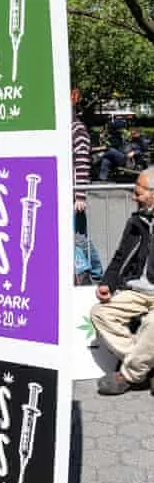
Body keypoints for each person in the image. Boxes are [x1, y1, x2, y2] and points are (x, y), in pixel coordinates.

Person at [90, 168, 154, 395]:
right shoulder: (137, 221)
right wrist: (107, 282)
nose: (134, 198)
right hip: (137, 289)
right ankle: (146, 368)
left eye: (139, 193)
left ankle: (129, 375)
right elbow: (120, 255)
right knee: (100, 313)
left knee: (152, 325)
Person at [72, 109, 103, 285]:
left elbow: (82, 161)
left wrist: (80, 195)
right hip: (68, 193)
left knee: (79, 240)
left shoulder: (77, 130)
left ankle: (98, 277)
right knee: (78, 239)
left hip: (73, 196)